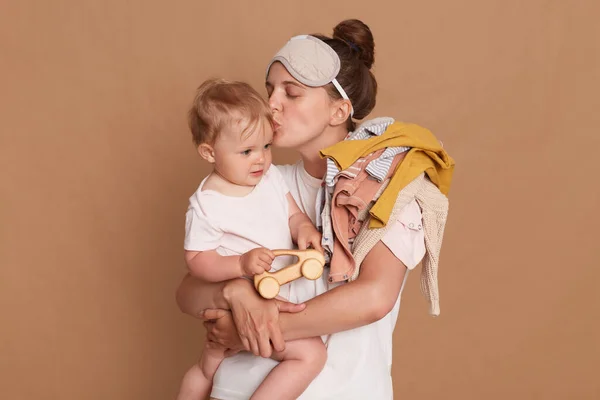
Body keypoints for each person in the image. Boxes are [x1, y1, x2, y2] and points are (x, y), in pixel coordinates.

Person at [176, 19, 453, 400]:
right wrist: (234, 295)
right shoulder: (262, 182)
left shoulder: (386, 183)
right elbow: (187, 292)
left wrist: (250, 328)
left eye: (292, 93)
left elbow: (374, 296)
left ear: (339, 111)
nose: (271, 104)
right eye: (270, 89)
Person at [176, 79, 327, 400]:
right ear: (209, 152)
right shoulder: (207, 203)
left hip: (275, 298)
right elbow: (198, 261)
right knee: (208, 368)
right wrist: (240, 264)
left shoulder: (269, 179)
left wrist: (304, 229)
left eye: (266, 147)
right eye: (246, 151)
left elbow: (293, 214)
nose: (260, 159)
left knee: (308, 353)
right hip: (238, 311)